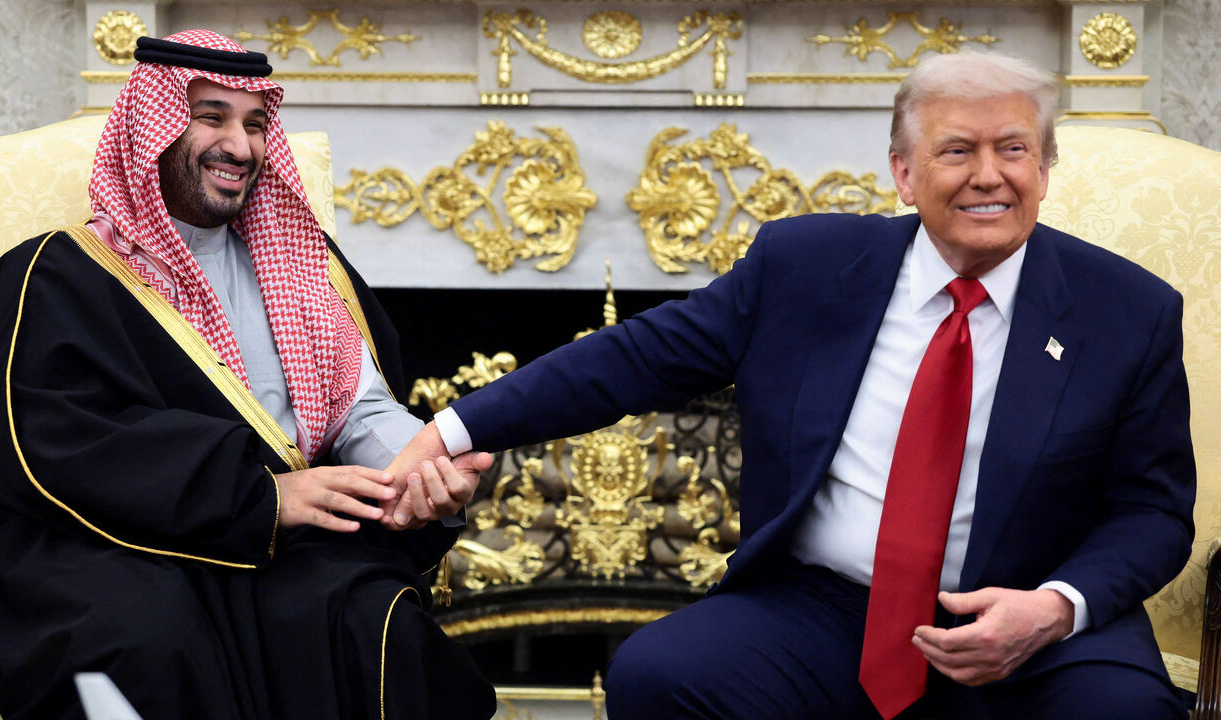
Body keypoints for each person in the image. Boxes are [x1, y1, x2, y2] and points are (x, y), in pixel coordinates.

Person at [385, 52, 1195, 719]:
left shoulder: (1127, 312)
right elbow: (631, 358)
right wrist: (454, 429)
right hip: (831, 610)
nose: (990, 175)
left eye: (1014, 149)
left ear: (1046, 170)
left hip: (1038, 629)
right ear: (904, 174)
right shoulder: (804, 268)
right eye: (958, 151)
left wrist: (1056, 606)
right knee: (659, 674)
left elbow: (1154, 510)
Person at [0, 30, 495, 720]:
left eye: (256, 123)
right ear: (153, 129)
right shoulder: (53, 276)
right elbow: (57, 445)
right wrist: (259, 498)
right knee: (145, 640)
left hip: (279, 552)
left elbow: (356, 409)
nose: (241, 145)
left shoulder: (301, 262)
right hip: (107, 543)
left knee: (375, 625)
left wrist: (418, 465)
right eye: (212, 117)